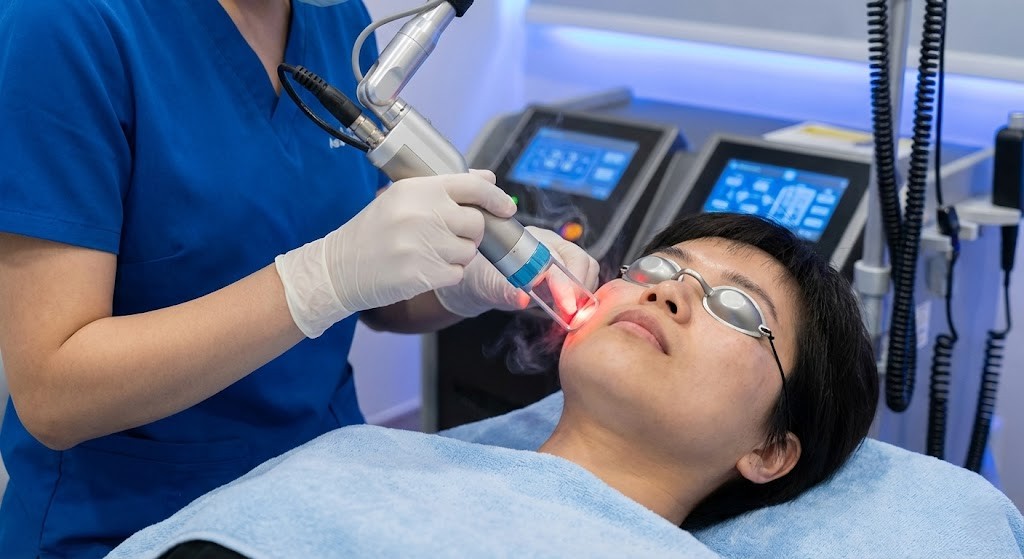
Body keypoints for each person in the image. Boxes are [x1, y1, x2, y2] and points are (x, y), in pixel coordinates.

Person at [0, 1, 598, 557]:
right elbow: (55, 397)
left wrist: (457, 284)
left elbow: (379, 299)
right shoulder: (63, 25)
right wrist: (318, 281)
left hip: (325, 486)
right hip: (138, 516)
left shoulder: (332, 19)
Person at [105, 213, 880, 558]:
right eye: (656, 269)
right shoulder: (360, 461)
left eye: (737, 306)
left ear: (771, 449)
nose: (666, 292)